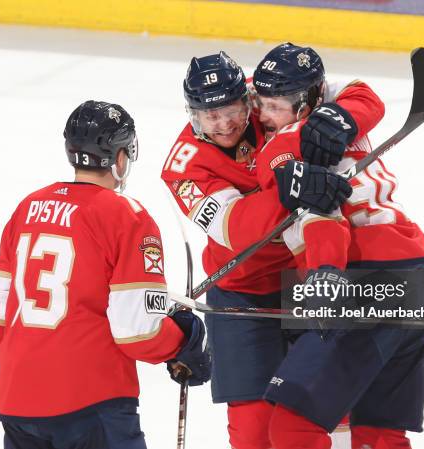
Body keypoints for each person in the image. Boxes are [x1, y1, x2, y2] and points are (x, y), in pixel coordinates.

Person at [161, 50, 379, 449]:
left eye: (233, 110)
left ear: (247, 99)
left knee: (334, 406)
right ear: (193, 115)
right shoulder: (182, 166)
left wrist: (342, 118)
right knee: (254, 433)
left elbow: (358, 94)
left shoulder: (268, 100)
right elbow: (236, 228)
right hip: (240, 293)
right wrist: (290, 188)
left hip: (306, 273)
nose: (225, 123)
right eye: (211, 116)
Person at [0, 100, 210, 449]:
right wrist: (183, 342)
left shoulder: (27, 207)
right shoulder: (126, 216)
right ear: (120, 158)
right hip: (91, 404)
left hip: (17, 402)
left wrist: (33, 368)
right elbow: (137, 333)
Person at [250, 43, 424, 449]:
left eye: (275, 106)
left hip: (362, 284)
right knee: (379, 435)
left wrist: (326, 274)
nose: (263, 116)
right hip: (418, 282)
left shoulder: (281, 141)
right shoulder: (353, 124)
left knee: (292, 429)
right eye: (261, 103)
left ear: (308, 101)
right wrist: (340, 115)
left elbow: (323, 217)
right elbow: (360, 93)